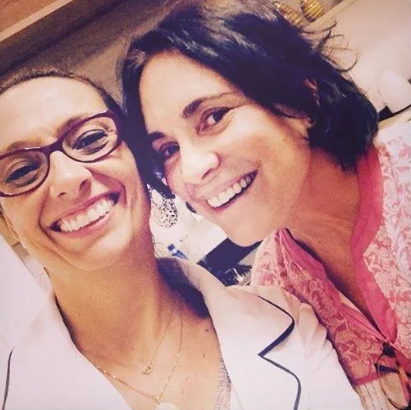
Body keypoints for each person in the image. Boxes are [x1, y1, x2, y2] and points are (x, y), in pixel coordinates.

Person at [0, 68, 362, 410]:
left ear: (138, 160)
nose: (67, 178)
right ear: (7, 223)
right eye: (21, 171)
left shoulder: (287, 318)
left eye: (91, 139)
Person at [120, 1, 411, 409]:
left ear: (300, 98)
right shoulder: (277, 290)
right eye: (168, 149)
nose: (192, 170)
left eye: (213, 117)